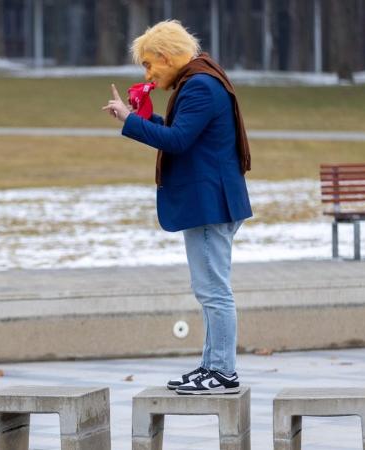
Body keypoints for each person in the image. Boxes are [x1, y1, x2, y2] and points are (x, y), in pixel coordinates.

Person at [102, 20, 252, 395]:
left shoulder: (199, 85)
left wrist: (129, 121)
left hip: (209, 205)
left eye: (150, 65)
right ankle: (212, 365)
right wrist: (139, 117)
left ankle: (222, 371)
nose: (148, 73)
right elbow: (180, 130)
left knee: (213, 291)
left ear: (167, 58)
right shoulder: (202, 78)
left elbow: (178, 139)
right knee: (209, 289)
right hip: (213, 202)